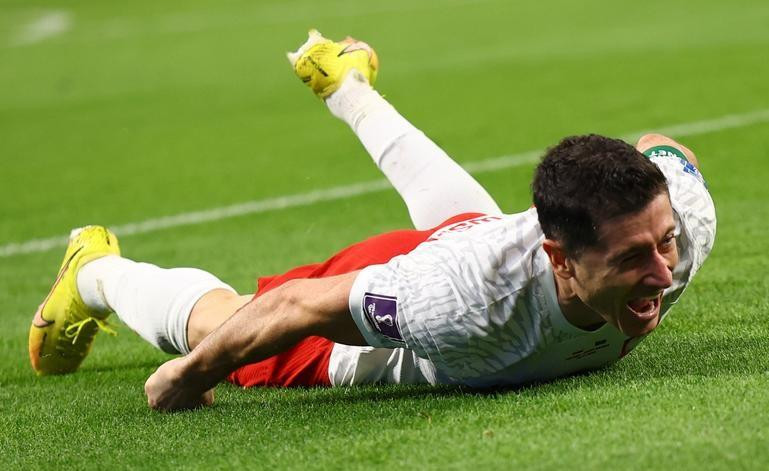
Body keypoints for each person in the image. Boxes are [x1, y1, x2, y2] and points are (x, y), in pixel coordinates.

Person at [29, 30, 716, 411]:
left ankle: (346, 86)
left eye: (661, 246)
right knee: (226, 321)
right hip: (399, 327)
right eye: (632, 259)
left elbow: (666, 150)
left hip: (475, 260)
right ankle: (95, 271)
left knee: (472, 232)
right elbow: (297, 305)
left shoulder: (678, 232)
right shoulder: (455, 302)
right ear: (560, 258)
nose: (661, 270)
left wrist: (650, 208)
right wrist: (186, 376)